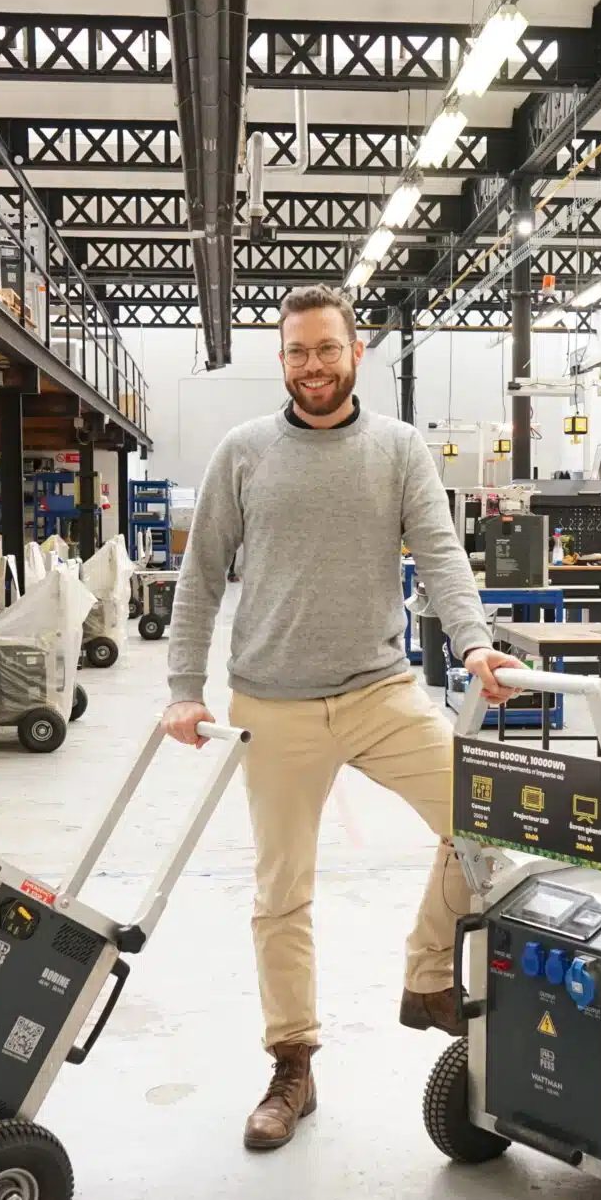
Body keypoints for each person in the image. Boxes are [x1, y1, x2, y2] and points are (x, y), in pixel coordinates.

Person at [162, 284, 523, 1153]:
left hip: (381, 690)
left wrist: (473, 645)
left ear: (357, 352)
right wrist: (183, 682)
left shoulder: (398, 449)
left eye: (327, 349)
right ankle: (293, 1065)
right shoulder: (243, 452)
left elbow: (441, 554)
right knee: (281, 892)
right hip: (272, 703)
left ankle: (428, 974)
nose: (313, 366)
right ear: (281, 360)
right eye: (297, 352)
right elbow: (201, 574)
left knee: (484, 822)